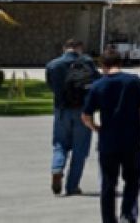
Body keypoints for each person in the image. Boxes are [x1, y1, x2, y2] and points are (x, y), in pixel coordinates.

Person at [81, 47, 140, 223]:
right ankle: (127, 214)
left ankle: (108, 219)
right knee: (132, 180)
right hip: (131, 139)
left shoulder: (98, 85)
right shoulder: (133, 81)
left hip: (108, 140)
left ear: (102, 65)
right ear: (120, 62)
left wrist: (96, 128)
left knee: (108, 183)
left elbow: (86, 115)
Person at [45, 38, 96, 197]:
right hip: (83, 111)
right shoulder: (87, 63)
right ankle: (72, 186)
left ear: (64, 48)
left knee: (60, 144)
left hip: (61, 110)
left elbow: (51, 86)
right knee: (80, 150)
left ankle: (57, 168)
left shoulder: (52, 65)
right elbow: (96, 82)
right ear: (79, 48)